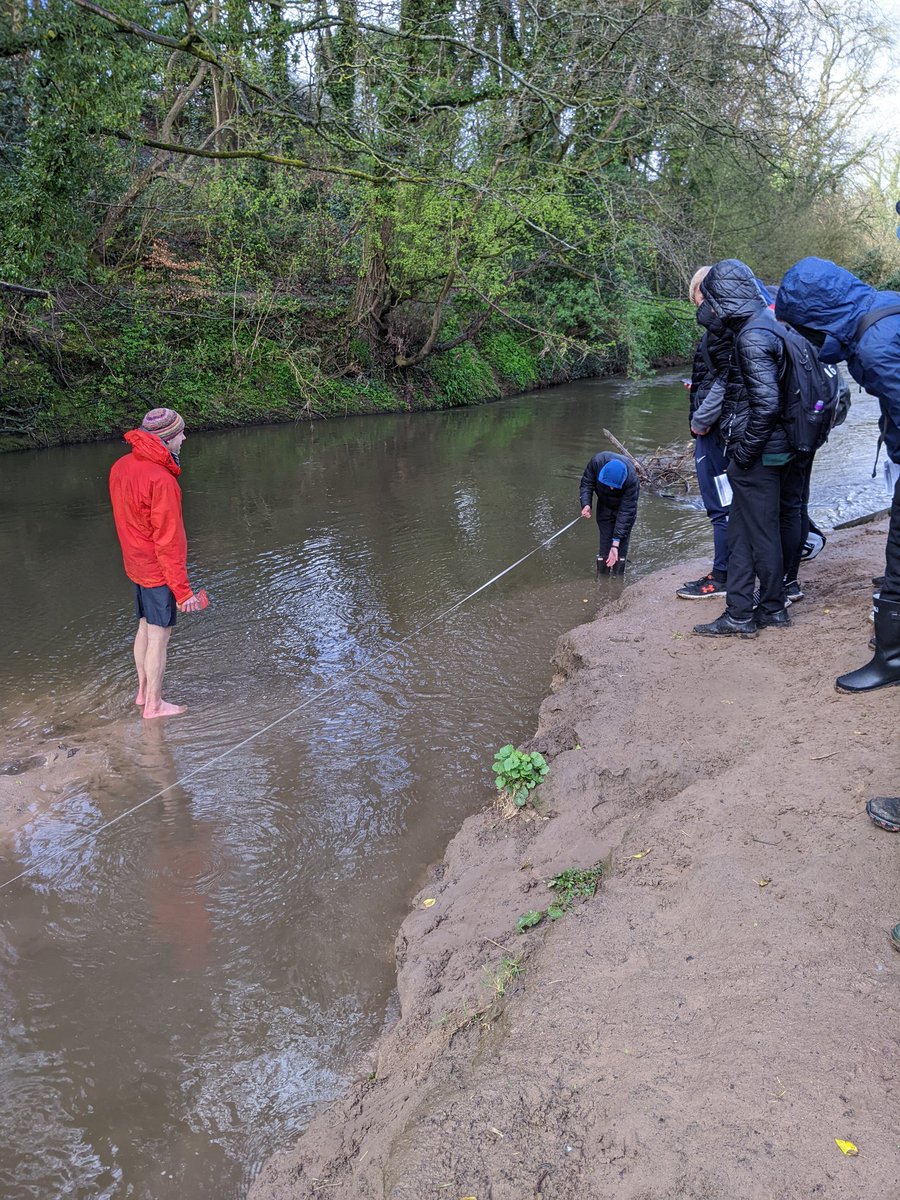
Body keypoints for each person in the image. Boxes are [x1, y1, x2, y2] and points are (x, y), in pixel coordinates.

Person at [775, 256, 900, 930]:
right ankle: (890, 656)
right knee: (895, 576)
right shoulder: (875, 315)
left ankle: (890, 655)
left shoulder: (878, 342)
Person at [691, 259, 806, 639]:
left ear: (722, 296)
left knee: (759, 533)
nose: (707, 309)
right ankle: (740, 611)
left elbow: (766, 405)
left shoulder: (752, 336)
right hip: (773, 450)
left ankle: (770, 609)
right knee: (745, 532)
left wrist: (741, 454)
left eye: (710, 300)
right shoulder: (768, 323)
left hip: (757, 455)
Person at [109, 407, 204, 719]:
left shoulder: (120, 466)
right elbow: (169, 542)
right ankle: (154, 704)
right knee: (159, 638)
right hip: (157, 569)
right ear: (165, 440)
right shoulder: (162, 480)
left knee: (144, 629)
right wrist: (183, 592)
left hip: (134, 564)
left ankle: (141, 693)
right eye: (180, 434)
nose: (184, 437)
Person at [677, 265, 733, 599]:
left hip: (716, 431)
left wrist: (700, 420)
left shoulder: (721, 329)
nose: (698, 309)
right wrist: (698, 388)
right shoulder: (737, 325)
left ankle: (722, 577)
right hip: (726, 426)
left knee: (720, 506)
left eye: (697, 300)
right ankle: (733, 570)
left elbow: (727, 379)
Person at [579, 452, 640, 575]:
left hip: (623, 509)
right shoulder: (597, 462)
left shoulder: (632, 480)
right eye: (609, 485)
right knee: (605, 542)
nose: (611, 488)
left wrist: (616, 544)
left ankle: (618, 577)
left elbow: (626, 513)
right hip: (604, 506)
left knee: (620, 543)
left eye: (614, 486)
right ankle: (603, 577)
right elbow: (587, 483)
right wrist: (586, 504)